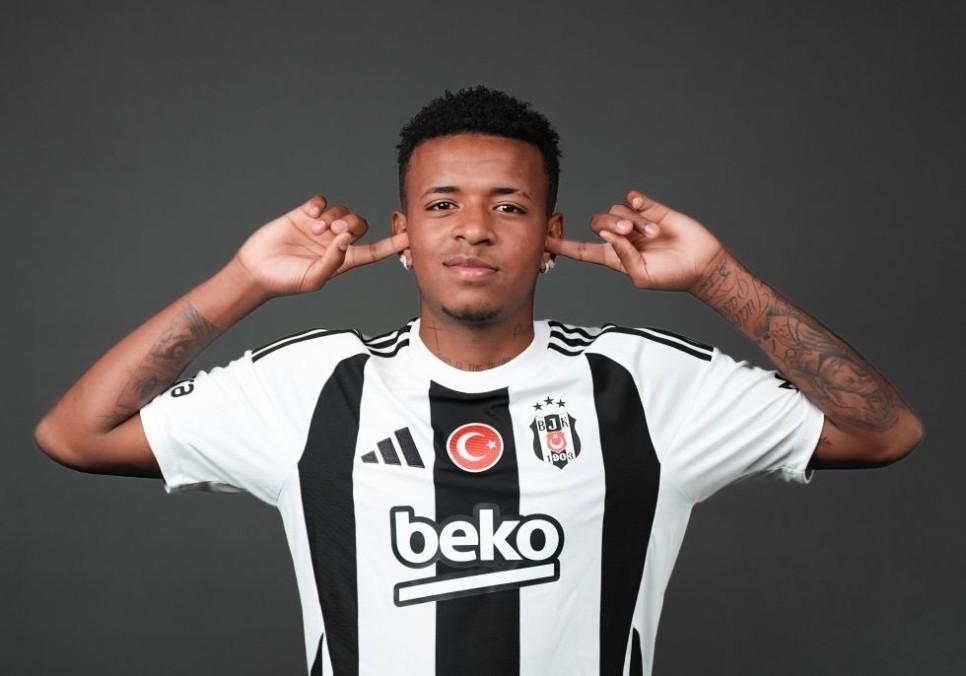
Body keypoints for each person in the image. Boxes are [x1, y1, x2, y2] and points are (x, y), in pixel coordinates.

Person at [34, 85, 924, 676]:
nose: (473, 229)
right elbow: (76, 435)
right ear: (403, 232)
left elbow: (883, 431)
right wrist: (245, 282)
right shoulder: (312, 387)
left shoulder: (644, 385)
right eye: (442, 205)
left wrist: (717, 279)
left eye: (508, 206)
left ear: (550, 235)